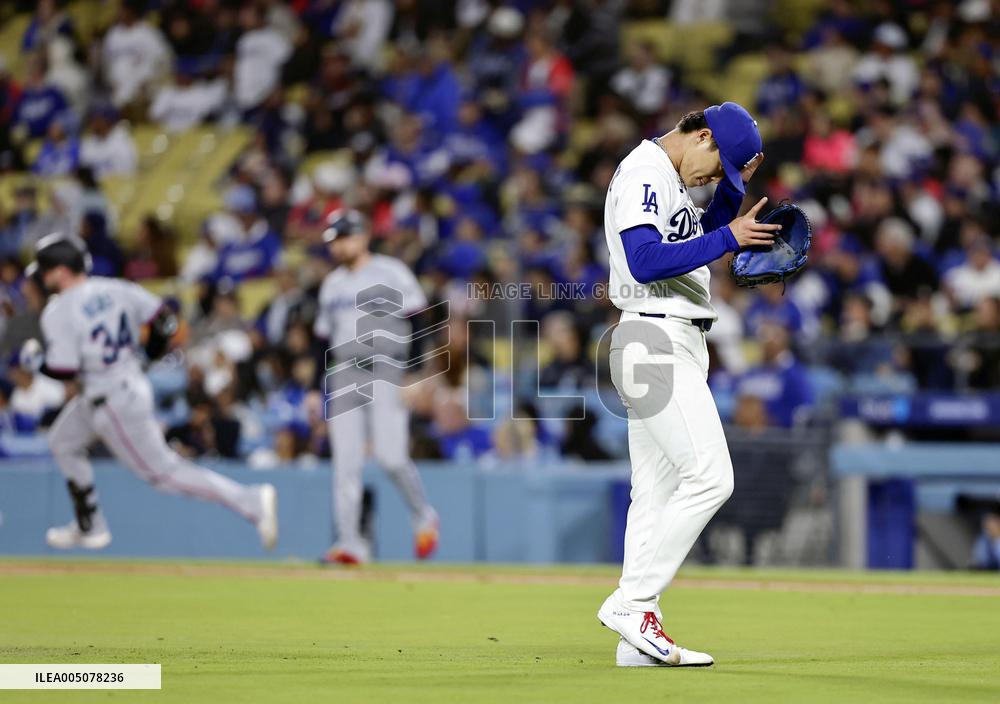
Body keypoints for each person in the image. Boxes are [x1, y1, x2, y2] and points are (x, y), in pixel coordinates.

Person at [596, 103, 777, 667]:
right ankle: (633, 603)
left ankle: (636, 639)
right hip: (653, 341)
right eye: (715, 167)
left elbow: (695, 235)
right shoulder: (646, 171)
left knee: (652, 493)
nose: (711, 181)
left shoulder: (670, 180)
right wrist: (729, 237)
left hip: (667, 342)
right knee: (711, 478)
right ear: (700, 137)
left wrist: (735, 190)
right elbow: (645, 260)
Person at [20, 234, 277, 551]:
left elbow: (65, 370)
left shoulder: (58, 311)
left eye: (45, 270)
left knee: (165, 474)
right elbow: (167, 322)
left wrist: (35, 363)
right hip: (119, 387)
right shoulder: (117, 288)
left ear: (59, 270)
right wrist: (148, 356)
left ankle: (250, 501)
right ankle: (90, 526)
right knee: (63, 441)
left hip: (110, 399)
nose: (42, 278)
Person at [313, 209, 439, 564]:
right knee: (345, 462)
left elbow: (418, 320)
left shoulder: (391, 271)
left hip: (386, 368)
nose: (337, 246)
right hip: (343, 372)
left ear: (363, 235)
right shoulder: (332, 283)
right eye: (334, 240)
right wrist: (312, 388)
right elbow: (320, 341)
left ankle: (423, 514)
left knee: (391, 457)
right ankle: (351, 542)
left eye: (343, 237)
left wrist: (415, 373)